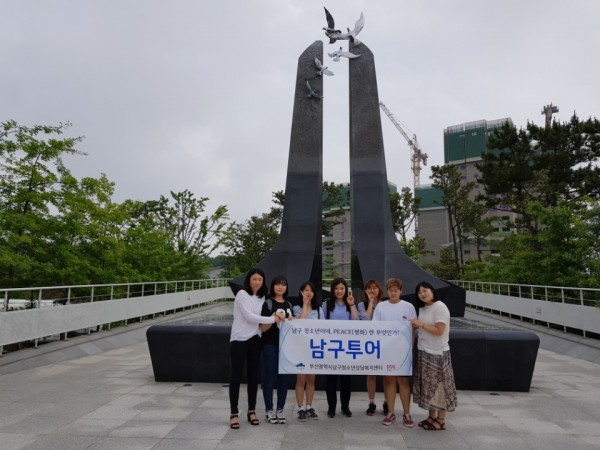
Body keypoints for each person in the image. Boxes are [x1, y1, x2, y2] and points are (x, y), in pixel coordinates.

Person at [228, 268, 282, 430]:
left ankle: (251, 411)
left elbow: (267, 315)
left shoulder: (263, 297)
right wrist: (273, 319)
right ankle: (234, 413)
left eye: (260, 279)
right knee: (236, 377)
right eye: (254, 279)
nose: (257, 282)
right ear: (249, 280)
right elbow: (249, 317)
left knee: (253, 377)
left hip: (255, 340)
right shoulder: (242, 294)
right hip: (239, 339)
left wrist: (281, 315)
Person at [411, 281, 457, 431]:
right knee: (429, 386)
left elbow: (439, 330)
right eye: (419, 292)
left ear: (432, 291)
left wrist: (420, 325)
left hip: (437, 353)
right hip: (424, 351)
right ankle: (431, 416)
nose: (422, 294)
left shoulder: (440, 307)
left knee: (440, 387)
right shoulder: (423, 308)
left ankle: (441, 420)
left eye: (425, 290)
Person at [372, 278, 417, 427]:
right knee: (389, 380)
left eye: (396, 290)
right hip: (386, 349)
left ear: (401, 291)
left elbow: (412, 329)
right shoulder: (381, 306)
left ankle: (406, 413)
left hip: (403, 350)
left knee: (403, 381)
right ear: (387, 291)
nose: (393, 293)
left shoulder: (408, 307)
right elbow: (375, 328)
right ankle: (390, 412)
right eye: (390, 290)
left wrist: (410, 348)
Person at [323, 277, 359, 418]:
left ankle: (345, 407)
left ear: (346, 290)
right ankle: (331, 408)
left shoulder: (350, 304)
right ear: (332, 290)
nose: (339, 291)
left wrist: (352, 305)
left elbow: (356, 322)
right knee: (331, 380)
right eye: (336, 288)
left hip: (346, 347)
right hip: (331, 347)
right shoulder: (326, 304)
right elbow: (320, 324)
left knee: (346, 380)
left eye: (342, 288)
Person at [260, 275, 293, 425]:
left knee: (283, 379)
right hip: (270, 345)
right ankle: (269, 410)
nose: (280, 287)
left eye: (283, 284)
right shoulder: (267, 304)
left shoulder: (289, 304)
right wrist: (273, 318)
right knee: (269, 377)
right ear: (272, 286)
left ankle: (280, 409)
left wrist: (292, 321)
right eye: (278, 284)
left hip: (285, 347)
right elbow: (262, 328)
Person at [292, 281, 322, 422]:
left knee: (311, 379)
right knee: (301, 379)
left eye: (311, 290)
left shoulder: (319, 310)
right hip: (300, 348)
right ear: (301, 292)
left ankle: (309, 406)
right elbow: (299, 323)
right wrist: (305, 304)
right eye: (305, 290)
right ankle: (300, 408)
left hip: (314, 348)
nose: (308, 293)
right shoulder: (296, 308)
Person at [361, 279, 385, 416]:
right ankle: (372, 402)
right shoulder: (361, 304)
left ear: (379, 290)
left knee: (387, 375)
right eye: (369, 288)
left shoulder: (385, 304)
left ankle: (387, 402)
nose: (372, 290)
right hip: (369, 344)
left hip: (384, 343)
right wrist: (370, 303)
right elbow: (366, 321)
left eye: (375, 287)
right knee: (371, 374)